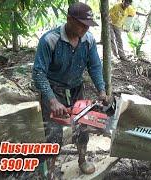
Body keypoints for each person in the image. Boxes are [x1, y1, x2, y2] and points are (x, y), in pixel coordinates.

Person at [32, 2, 108, 175]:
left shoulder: (88, 40)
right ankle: (50, 169)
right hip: (53, 89)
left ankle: (82, 159)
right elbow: (38, 73)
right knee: (53, 133)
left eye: (87, 25)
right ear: (69, 20)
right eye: (81, 24)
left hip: (75, 88)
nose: (85, 28)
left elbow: (95, 66)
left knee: (83, 126)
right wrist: (52, 100)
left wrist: (101, 90)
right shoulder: (50, 40)